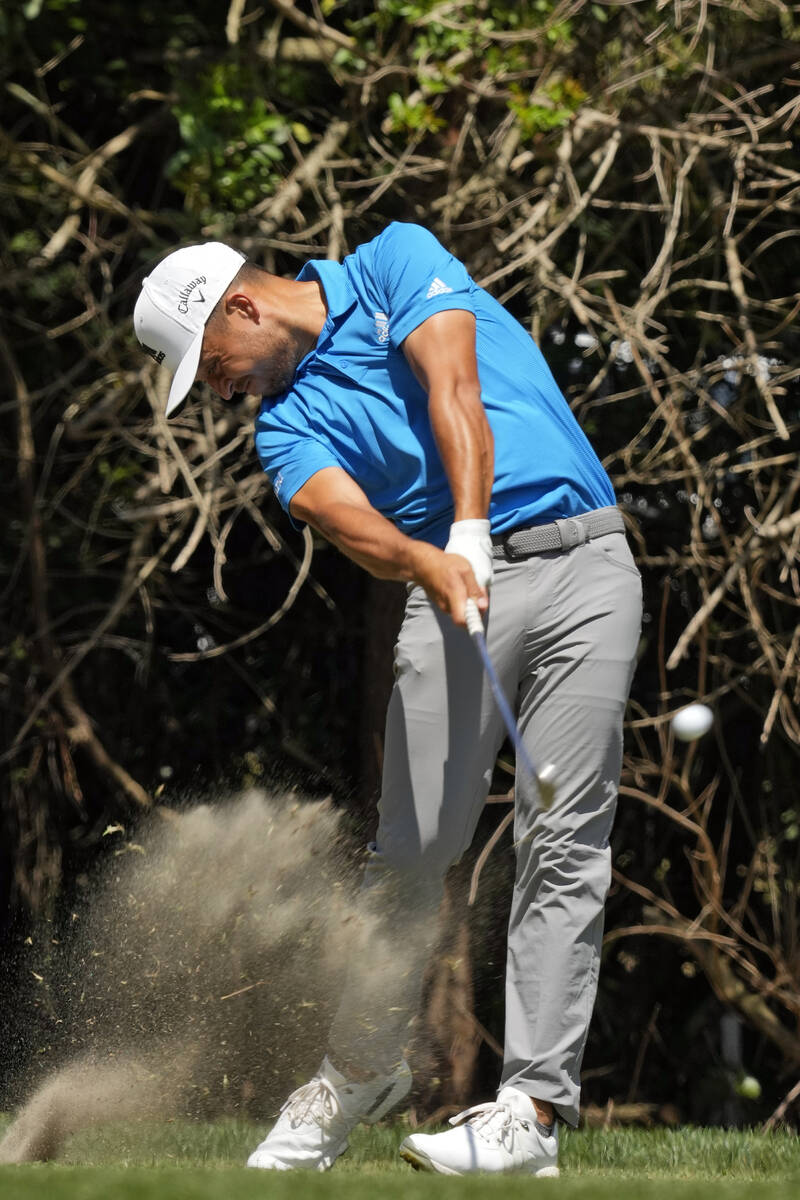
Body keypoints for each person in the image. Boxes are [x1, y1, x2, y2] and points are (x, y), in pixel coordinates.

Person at [133, 223, 642, 1176]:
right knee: (411, 853)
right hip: (447, 587)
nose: (220, 391)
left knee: (565, 834)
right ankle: (356, 1074)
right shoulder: (283, 423)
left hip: (585, 564)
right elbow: (344, 517)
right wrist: (429, 559)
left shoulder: (394, 263)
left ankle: (527, 1115)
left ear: (240, 307)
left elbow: (453, 382)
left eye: (209, 368)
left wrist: (472, 526)